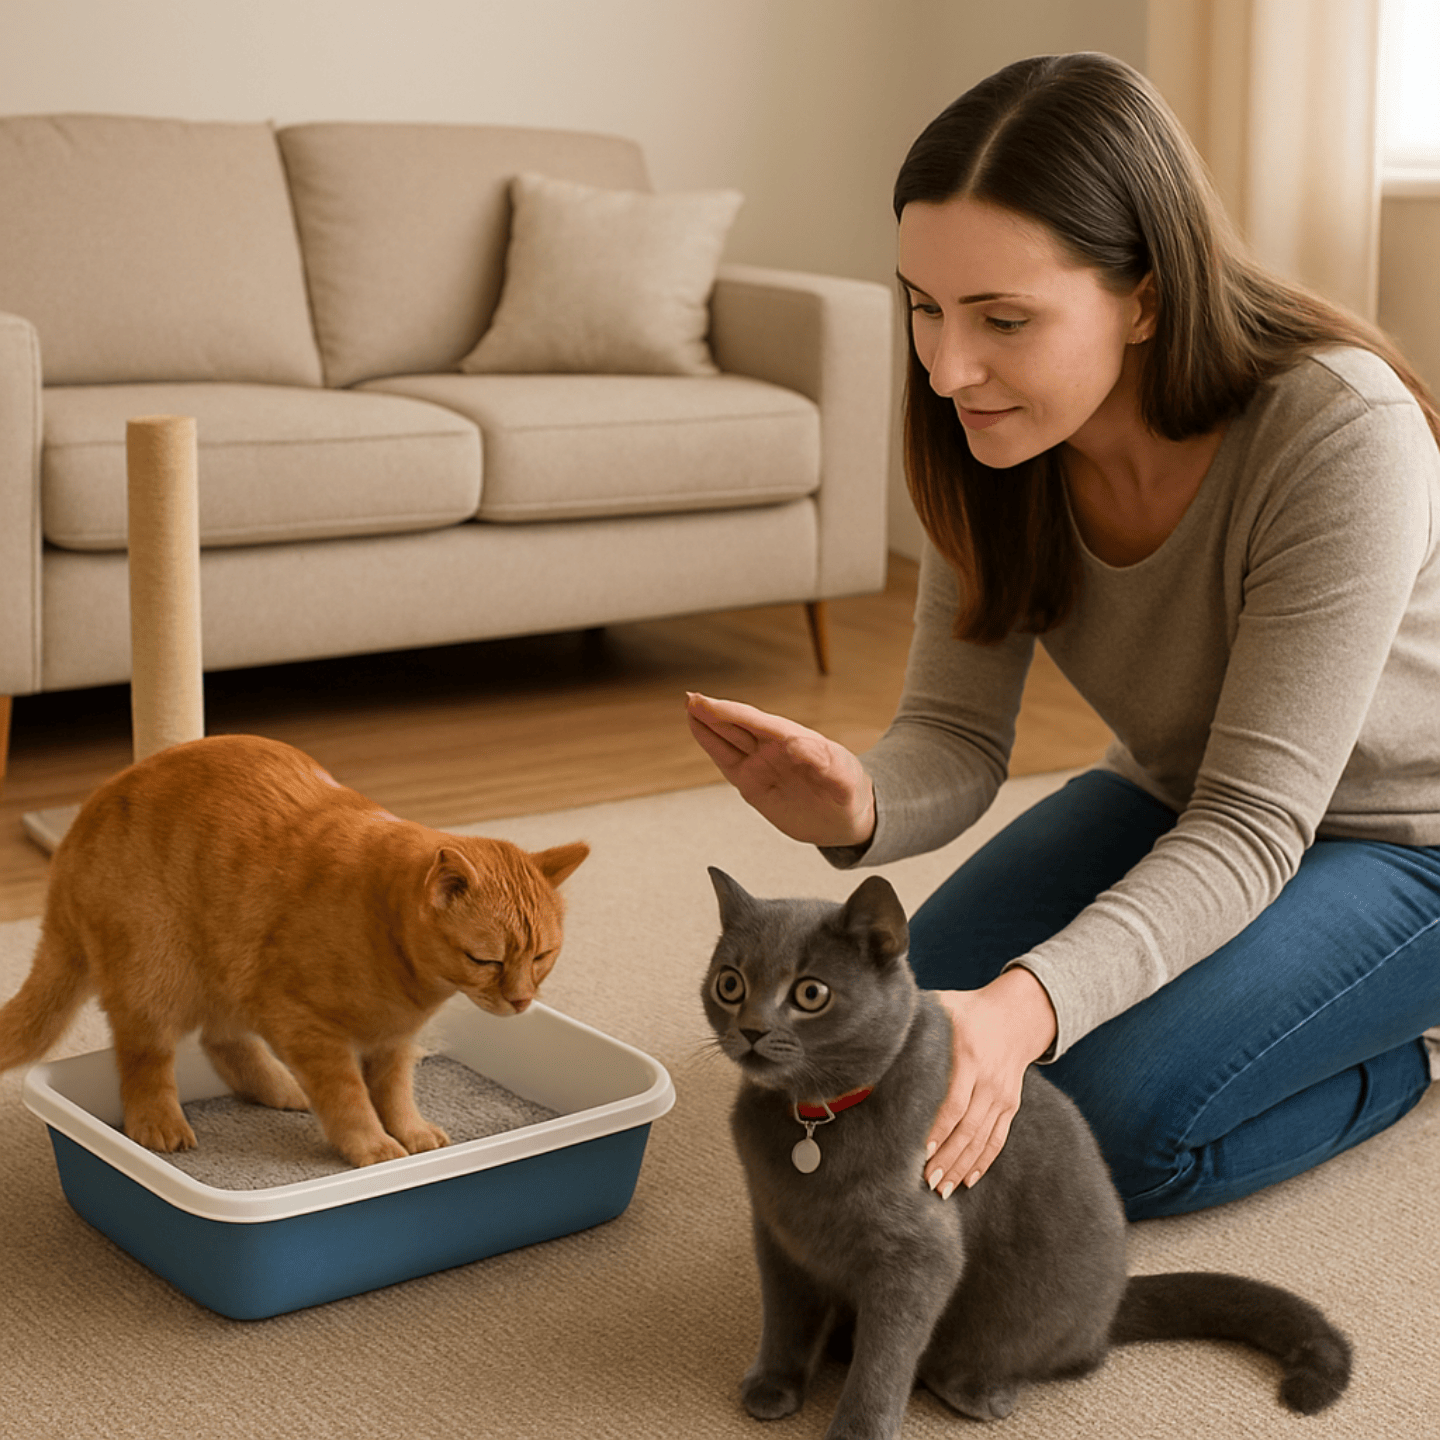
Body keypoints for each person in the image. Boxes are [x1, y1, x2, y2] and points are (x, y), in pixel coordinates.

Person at [686, 51, 1440, 1222]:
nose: (947, 367)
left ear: (1145, 297)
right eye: (925, 308)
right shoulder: (994, 433)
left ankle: (1401, 1057)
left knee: (1106, 1136)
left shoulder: (1340, 430)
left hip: (1407, 837)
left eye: (1004, 318)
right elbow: (953, 731)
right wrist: (859, 804)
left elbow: (1256, 818)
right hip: (1181, 792)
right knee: (889, 1034)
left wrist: (1029, 1006)